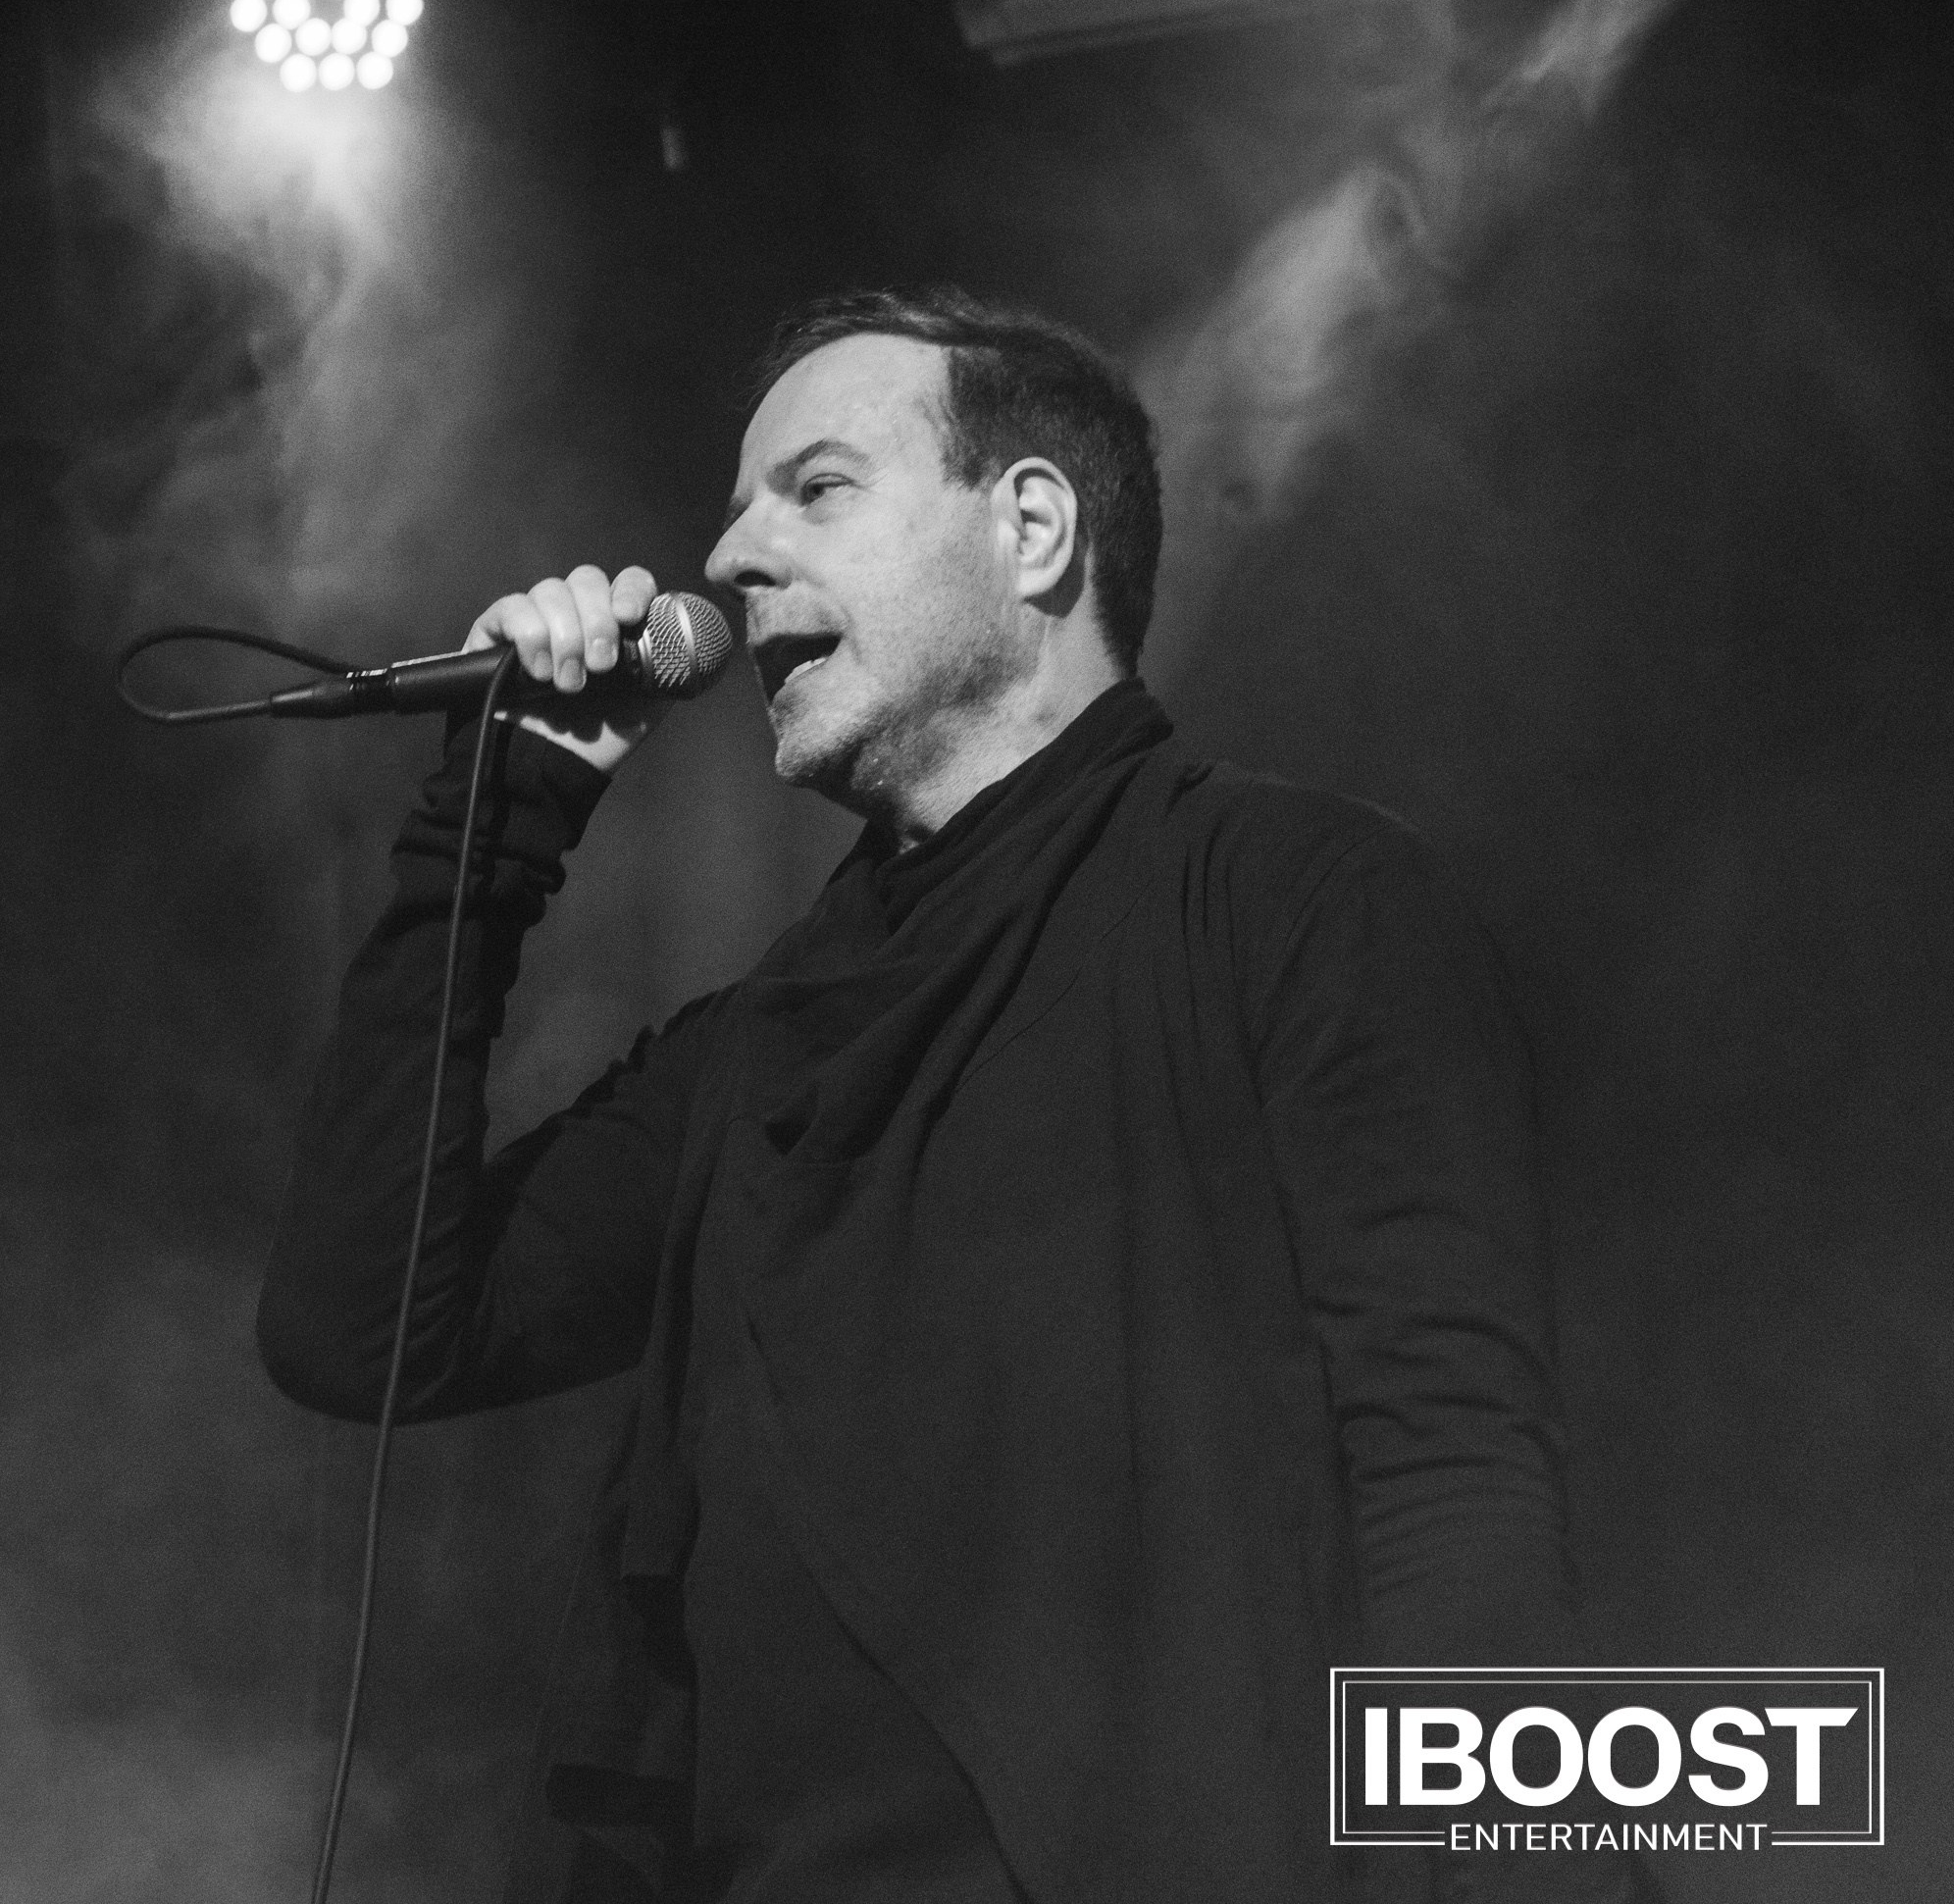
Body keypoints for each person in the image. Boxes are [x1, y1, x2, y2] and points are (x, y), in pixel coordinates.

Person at [258, 285, 1599, 1904]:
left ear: (1033, 529)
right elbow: (365, 1325)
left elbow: (1451, 1468)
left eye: (815, 490)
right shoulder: (761, 1048)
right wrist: (495, 823)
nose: (734, 561)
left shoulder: (1288, 899)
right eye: (737, 514)